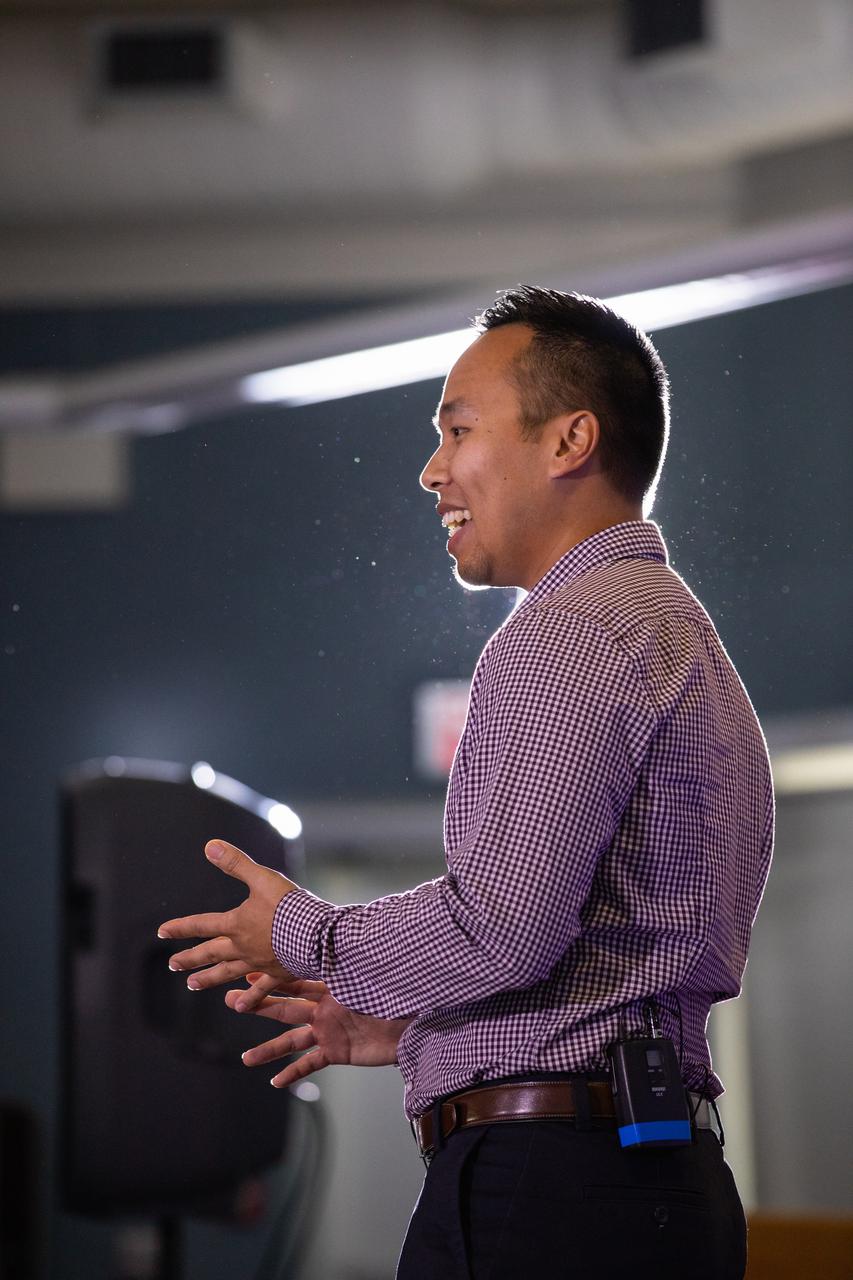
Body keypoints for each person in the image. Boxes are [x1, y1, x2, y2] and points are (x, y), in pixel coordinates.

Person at [159, 287, 774, 1279]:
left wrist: (308, 931)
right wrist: (412, 1021)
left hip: (549, 1189)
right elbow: (594, 950)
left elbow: (504, 924)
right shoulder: (675, 631)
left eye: (458, 427)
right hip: (648, 1181)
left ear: (568, 438)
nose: (431, 469)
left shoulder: (565, 632)